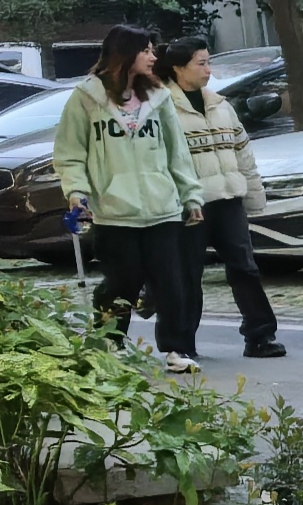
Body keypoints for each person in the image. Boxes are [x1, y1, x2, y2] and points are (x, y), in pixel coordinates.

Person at [54, 25, 201, 374]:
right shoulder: (86, 97)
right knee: (123, 282)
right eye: (146, 50)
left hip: (162, 207)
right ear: (125, 53)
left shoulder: (159, 96)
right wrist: (77, 192)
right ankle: (111, 341)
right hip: (114, 210)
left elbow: (177, 152)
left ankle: (177, 348)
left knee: (171, 282)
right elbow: (70, 153)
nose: (153, 56)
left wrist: (191, 195)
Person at [166, 41, 286, 361]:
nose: (208, 70)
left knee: (245, 267)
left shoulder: (220, 105)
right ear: (178, 68)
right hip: (188, 205)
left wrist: (254, 195)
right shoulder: (164, 108)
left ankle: (260, 336)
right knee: (187, 274)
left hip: (228, 200)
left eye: (209, 63)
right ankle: (182, 344)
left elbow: (243, 153)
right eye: (200, 64)